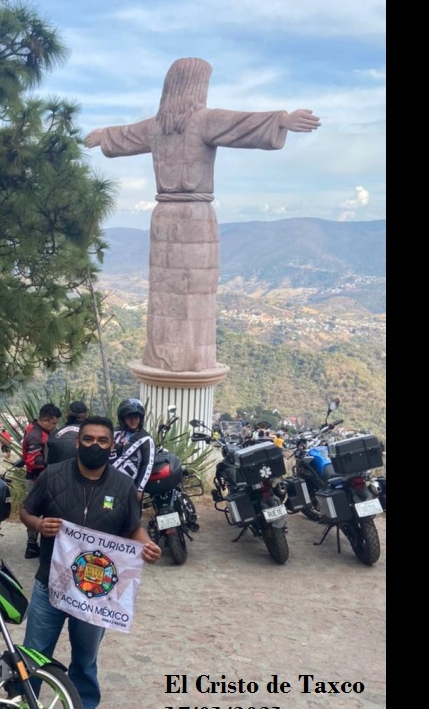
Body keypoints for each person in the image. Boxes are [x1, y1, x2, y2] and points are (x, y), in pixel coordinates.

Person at [85, 57, 319, 375]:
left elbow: (124, 135)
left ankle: (166, 356)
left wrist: (103, 135)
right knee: (193, 298)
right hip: (195, 217)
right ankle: (189, 360)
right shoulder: (202, 120)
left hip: (163, 216)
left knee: (167, 297)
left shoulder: (157, 126)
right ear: (197, 87)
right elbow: (243, 124)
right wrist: (282, 120)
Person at [19, 415, 162, 709]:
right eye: (88, 440)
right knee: (34, 654)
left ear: (111, 446)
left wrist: (146, 545)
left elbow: (132, 527)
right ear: (77, 442)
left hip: (95, 595)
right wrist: (38, 525)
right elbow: (26, 511)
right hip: (50, 585)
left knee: (86, 657)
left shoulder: (123, 487)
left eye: (102, 441)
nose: (94, 445)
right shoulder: (52, 476)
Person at [21, 403, 61, 559]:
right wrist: (54, 466)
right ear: (45, 420)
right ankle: (32, 546)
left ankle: (34, 545)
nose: (55, 426)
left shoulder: (34, 428)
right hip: (36, 479)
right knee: (33, 512)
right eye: (54, 423)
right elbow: (33, 461)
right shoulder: (37, 436)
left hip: (37, 478)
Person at [111, 398, 155, 498]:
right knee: (107, 508)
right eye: (129, 416)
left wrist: (140, 489)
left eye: (136, 417)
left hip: (131, 486)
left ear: (140, 418)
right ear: (123, 418)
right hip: (111, 484)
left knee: (132, 513)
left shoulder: (146, 439)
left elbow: (148, 464)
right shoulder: (113, 433)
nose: (133, 420)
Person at [46, 401, 88, 467]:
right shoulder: (91, 437)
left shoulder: (53, 436)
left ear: (67, 414)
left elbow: (48, 463)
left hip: (58, 475)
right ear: (85, 416)